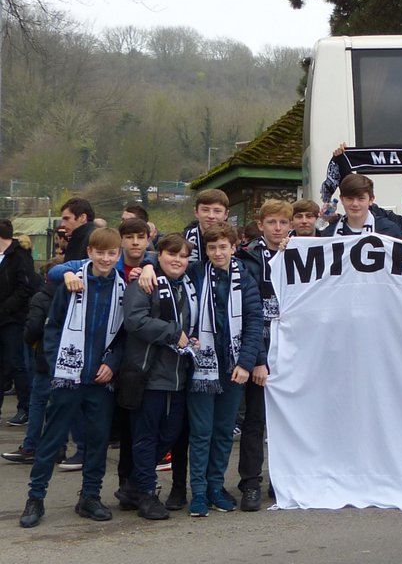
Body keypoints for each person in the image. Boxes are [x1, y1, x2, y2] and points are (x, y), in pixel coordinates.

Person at [20, 228, 127, 528]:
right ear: (90, 252)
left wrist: (112, 363)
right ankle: (35, 497)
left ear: (117, 256)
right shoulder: (72, 284)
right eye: (100, 252)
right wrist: (59, 365)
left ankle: (90, 496)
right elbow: (51, 327)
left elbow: (123, 335)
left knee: (97, 441)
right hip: (68, 376)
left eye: (111, 253)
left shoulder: (122, 288)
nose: (106, 258)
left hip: (101, 379)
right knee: (52, 439)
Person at [184, 221, 263, 517]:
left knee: (223, 431)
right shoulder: (195, 274)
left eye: (223, 247)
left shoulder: (245, 277)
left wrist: (246, 363)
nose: (218, 252)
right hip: (201, 366)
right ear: (206, 250)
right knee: (201, 432)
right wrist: (148, 269)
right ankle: (200, 492)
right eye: (212, 247)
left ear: (234, 246)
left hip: (232, 366)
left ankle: (216, 487)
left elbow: (255, 321)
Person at [118, 234, 198, 520]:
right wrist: (174, 334)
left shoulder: (189, 286)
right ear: (159, 255)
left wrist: (193, 338)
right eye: (171, 254)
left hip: (179, 375)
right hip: (148, 373)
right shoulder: (144, 282)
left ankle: (133, 486)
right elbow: (135, 320)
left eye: (183, 255)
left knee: (170, 434)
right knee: (146, 436)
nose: (177, 260)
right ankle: (147, 494)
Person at [233, 200, 291, 511]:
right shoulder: (247, 258)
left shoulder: (302, 251)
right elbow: (248, 312)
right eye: (272, 222)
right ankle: (250, 482)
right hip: (262, 346)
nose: (278, 228)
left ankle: (284, 479)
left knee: (290, 419)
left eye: (283, 222)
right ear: (261, 224)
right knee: (255, 420)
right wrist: (256, 358)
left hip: (293, 348)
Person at [1, 219, 37, 427]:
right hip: (4, 317)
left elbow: (25, 287)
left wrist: (6, 308)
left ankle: (25, 407)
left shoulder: (19, 255)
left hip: (14, 319)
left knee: (17, 363)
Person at [320, 174, 402, 238]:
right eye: (350, 198)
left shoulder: (389, 230)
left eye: (361, 199)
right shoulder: (328, 234)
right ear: (342, 200)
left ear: (371, 200)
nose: (355, 204)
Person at [183, 189, 231, 265]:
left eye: (217, 211)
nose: (211, 216)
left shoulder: (235, 243)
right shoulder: (183, 241)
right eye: (205, 210)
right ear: (196, 212)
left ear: (226, 214)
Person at [60, 197, 98, 262]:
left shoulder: (94, 239)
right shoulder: (78, 238)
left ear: (82, 217)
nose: (62, 224)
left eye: (67, 219)